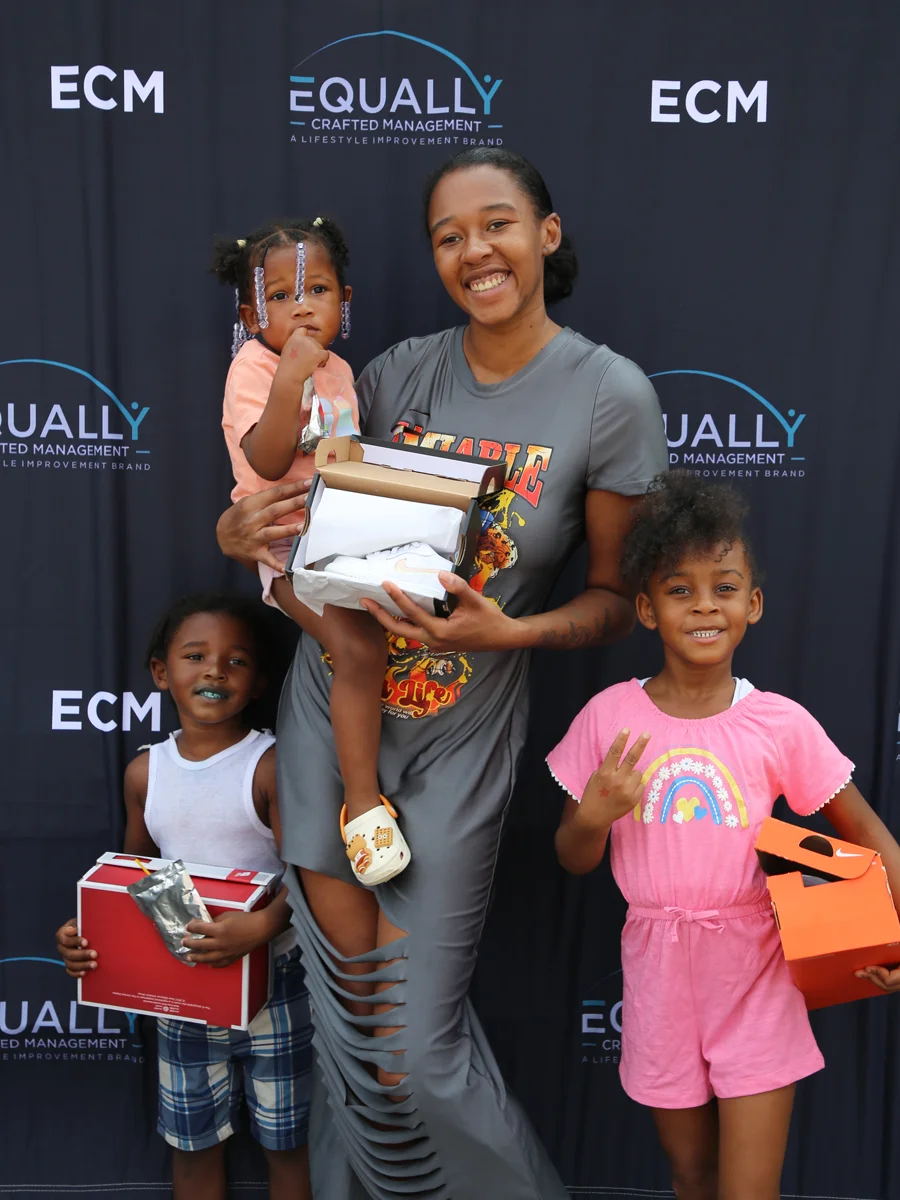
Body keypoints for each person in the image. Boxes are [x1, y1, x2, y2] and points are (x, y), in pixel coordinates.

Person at [215, 147, 668, 1200]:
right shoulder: (394, 373)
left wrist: (504, 636)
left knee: (410, 1053)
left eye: (497, 224)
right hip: (337, 719)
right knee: (352, 1033)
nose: (475, 251)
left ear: (545, 237)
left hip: (461, 746)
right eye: (448, 235)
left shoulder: (609, 395)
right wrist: (235, 528)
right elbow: (297, 526)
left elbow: (612, 602)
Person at [548, 472, 900, 1200]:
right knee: (691, 1174)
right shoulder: (610, 717)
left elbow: (866, 832)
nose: (705, 605)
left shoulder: (780, 723)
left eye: (725, 586)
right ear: (646, 609)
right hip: (657, 975)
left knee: (747, 1188)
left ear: (753, 604)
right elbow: (571, 857)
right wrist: (592, 814)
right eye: (680, 590)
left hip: (757, 972)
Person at [55, 594, 312, 1200]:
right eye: (195, 656)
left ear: (258, 683)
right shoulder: (146, 773)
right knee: (192, 1146)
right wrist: (88, 930)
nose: (215, 671)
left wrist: (264, 926)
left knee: (288, 1143)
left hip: (277, 984)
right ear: (161, 672)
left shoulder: (271, 766)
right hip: (182, 990)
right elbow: (133, 879)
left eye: (236, 661)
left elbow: (313, 874)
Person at [212, 217, 409, 885]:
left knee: (393, 627)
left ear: (343, 304)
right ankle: (361, 808)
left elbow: (343, 460)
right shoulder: (253, 367)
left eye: (317, 288)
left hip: (342, 535)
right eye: (279, 295)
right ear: (248, 313)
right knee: (357, 650)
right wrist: (288, 383)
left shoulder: (343, 371)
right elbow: (267, 463)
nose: (301, 306)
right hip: (285, 544)